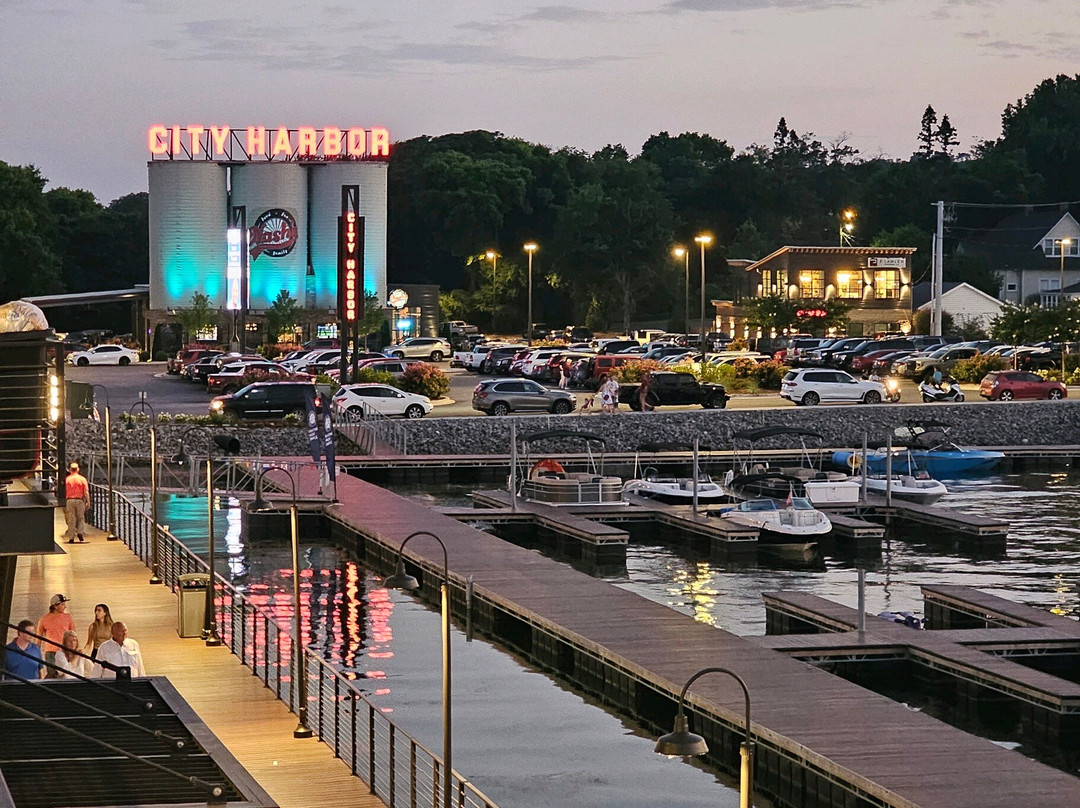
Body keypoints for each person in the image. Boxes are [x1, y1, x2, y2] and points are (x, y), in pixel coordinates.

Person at [37, 593, 75, 670]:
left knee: (66, 674)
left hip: (65, 651)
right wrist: (36, 652)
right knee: (52, 674)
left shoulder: (68, 618)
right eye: (62, 604)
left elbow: (73, 636)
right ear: (55, 606)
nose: (65, 607)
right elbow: (38, 638)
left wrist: (74, 651)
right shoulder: (44, 619)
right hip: (50, 653)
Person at [63, 462, 91, 543]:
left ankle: (71, 537)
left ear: (70, 470)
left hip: (69, 500)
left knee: (71, 518)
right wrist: (88, 501)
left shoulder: (67, 479)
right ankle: (80, 532)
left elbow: (63, 491)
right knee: (81, 518)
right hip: (80, 500)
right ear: (78, 469)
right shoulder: (82, 479)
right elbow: (86, 491)